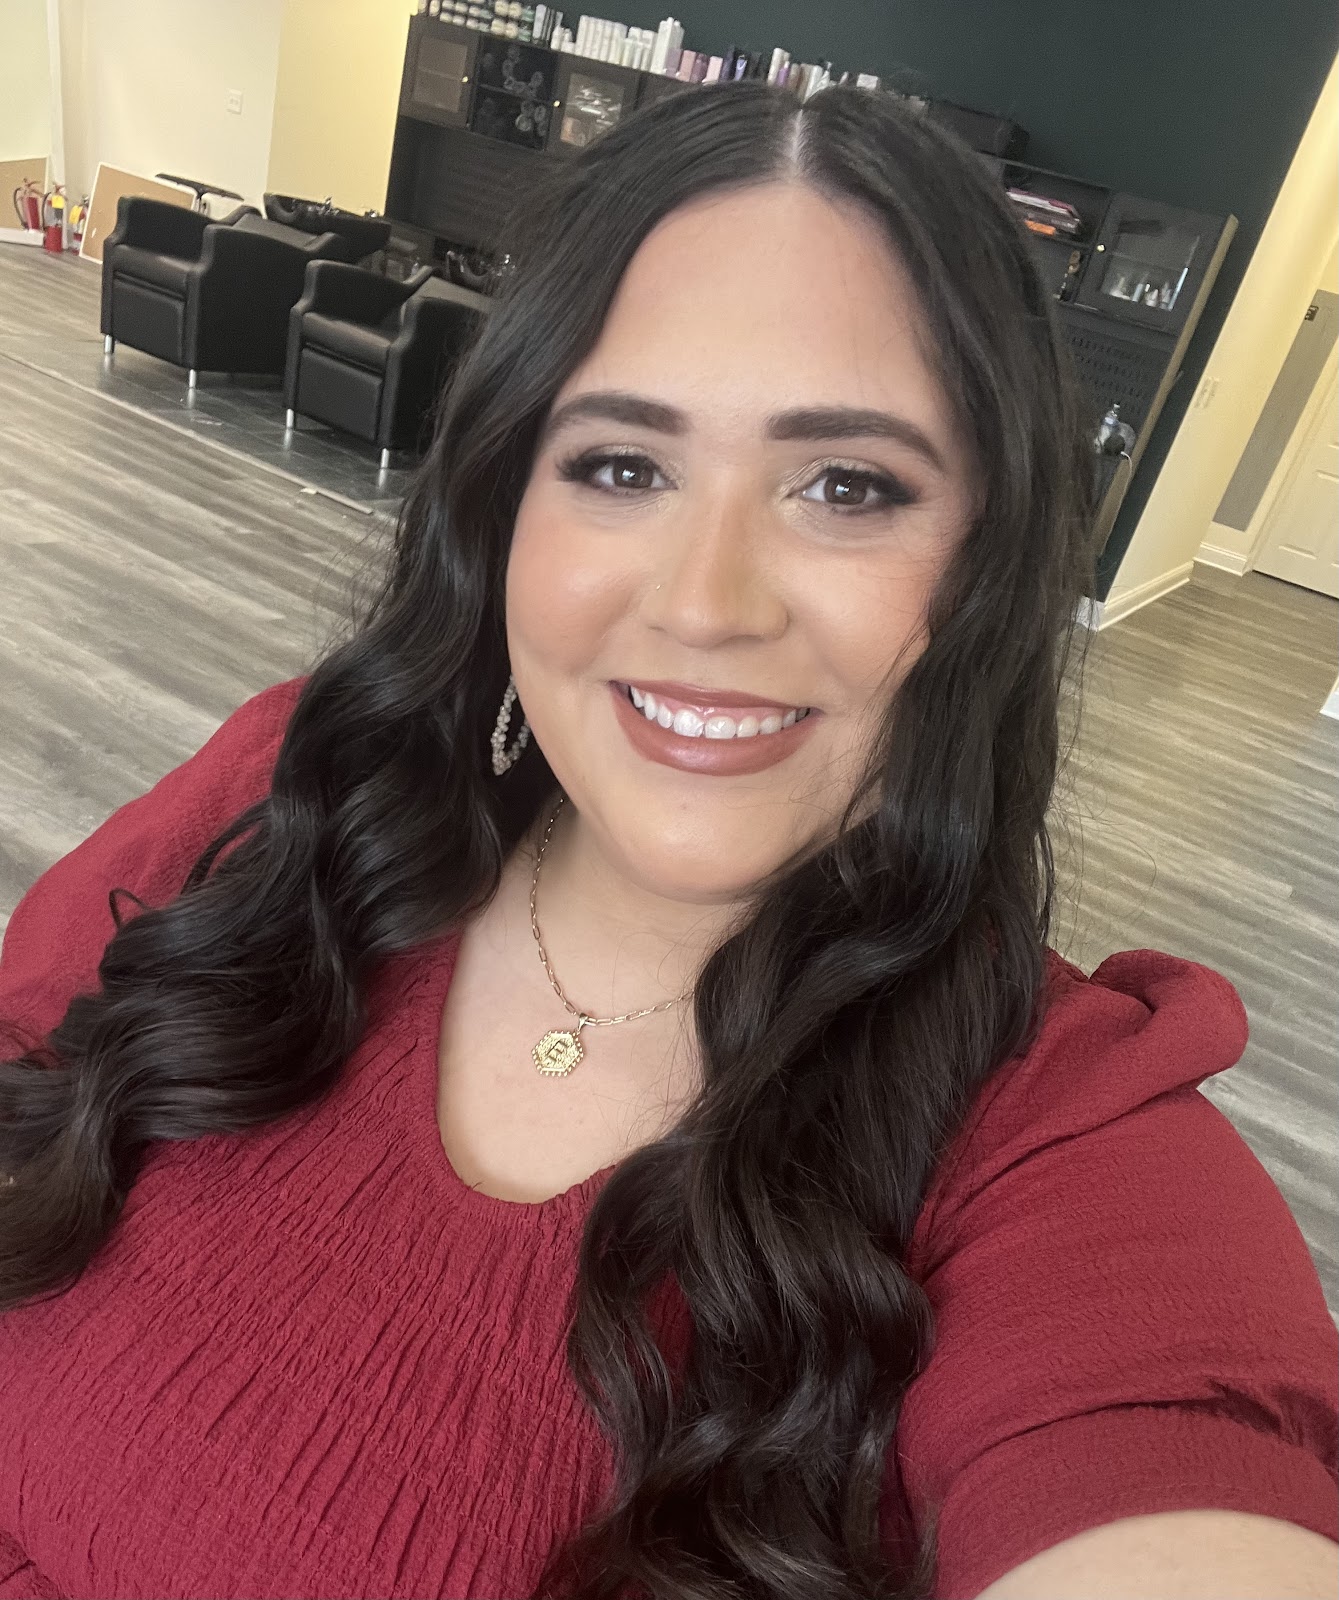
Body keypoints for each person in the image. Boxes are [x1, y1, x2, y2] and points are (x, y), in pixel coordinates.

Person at [0, 84, 1334, 1600]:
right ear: (503, 507)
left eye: (848, 487)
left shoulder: (1059, 1149)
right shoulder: (294, 794)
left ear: (990, 564)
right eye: (623, 467)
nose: (706, 604)